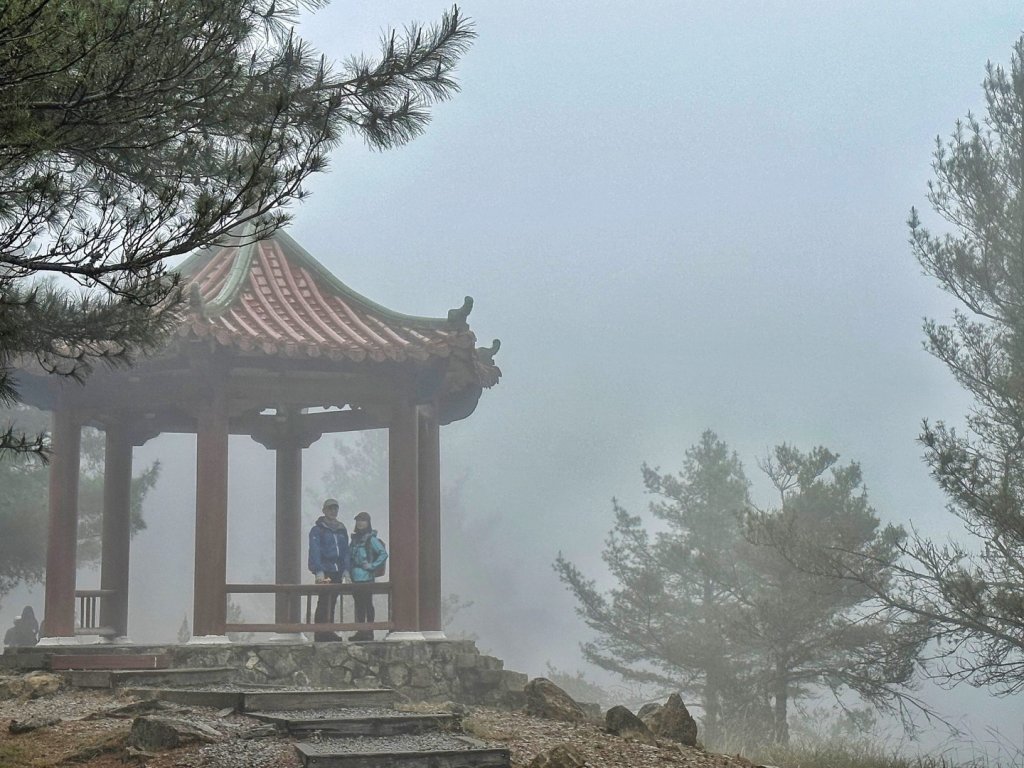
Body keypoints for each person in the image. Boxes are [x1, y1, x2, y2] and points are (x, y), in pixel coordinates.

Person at [308, 498, 350, 642]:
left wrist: (346, 569)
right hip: (325, 569)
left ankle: (329, 630)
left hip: (337, 570)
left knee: (333, 601)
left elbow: (345, 551)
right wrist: (318, 570)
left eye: (335, 509)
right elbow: (315, 550)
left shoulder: (341, 529)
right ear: (324, 510)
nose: (333, 511)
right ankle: (320, 632)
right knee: (324, 600)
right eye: (330, 509)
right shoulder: (317, 529)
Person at [348, 511, 387, 641]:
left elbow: (383, 554)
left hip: (367, 577)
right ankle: (361, 631)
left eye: (363, 520)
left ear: (368, 523)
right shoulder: (354, 540)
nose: (360, 523)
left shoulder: (371, 539)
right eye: (358, 520)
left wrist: (372, 566)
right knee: (359, 605)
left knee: (367, 604)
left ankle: (369, 631)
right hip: (355, 577)